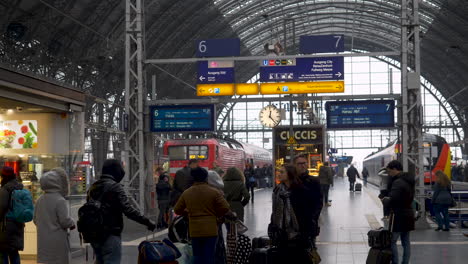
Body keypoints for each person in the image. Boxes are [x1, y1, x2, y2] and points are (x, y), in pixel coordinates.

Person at [87, 159, 156, 264]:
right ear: (116, 170)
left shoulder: (93, 187)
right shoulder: (116, 187)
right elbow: (128, 210)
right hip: (110, 234)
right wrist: (147, 221)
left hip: (94, 235)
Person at [174, 167, 233, 264]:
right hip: (210, 230)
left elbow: (177, 210)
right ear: (206, 178)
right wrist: (216, 215)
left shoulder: (187, 193)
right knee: (209, 256)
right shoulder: (214, 192)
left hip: (195, 230)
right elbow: (225, 208)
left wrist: (188, 213)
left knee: (197, 256)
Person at [269, 164, 313, 262]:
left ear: (290, 174)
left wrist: (305, 233)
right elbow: (274, 211)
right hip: (281, 234)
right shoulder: (277, 191)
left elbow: (307, 214)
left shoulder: (301, 191)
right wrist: (272, 226)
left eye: (282, 172)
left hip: (298, 235)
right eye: (278, 171)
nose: (278, 174)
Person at [34, 168, 75, 264]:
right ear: (59, 183)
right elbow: (65, 221)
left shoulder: (40, 200)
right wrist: (72, 222)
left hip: (43, 241)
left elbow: (35, 219)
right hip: (58, 240)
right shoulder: (60, 200)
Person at [382, 160, 415, 264]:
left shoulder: (398, 182)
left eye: (390, 171)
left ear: (395, 169)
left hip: (398, 215)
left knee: (392, 241)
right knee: (406, 242)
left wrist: (384, 199)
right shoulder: (408, 180)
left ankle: (395, 262)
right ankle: (405, 262)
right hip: (408, 213)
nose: (389, 174)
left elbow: (393, 199)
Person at [292, 155, 323, 248]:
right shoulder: (290, 182)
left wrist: (313, 218)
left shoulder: (314, 181)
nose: (302, 166)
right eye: (299, 164)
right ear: (294, 166)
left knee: (310, 251)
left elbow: (319, 203)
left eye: (304, 163)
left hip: (309, 224)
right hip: (292, 225)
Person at [0, 166, 24, 264]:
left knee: (3, 252)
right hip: (18, 224)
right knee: (14, 252)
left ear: (3, 176)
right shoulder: (20, 188)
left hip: (6, 226)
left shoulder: (5, 190)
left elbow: (1, 207)